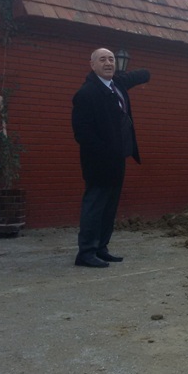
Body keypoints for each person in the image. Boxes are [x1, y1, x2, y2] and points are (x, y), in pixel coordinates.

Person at [71, 48, 150, 267]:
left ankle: (101, 248)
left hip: (118, 159)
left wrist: (148, 73)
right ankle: (86, 253)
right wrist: (105, 151)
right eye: (102, 59)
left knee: (109, 207)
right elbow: (82, 133)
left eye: (111, 59)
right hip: (98, 162)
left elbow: (137, 75)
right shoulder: (86, 94)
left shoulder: (117, 84)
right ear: (92, 65)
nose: (108, 63)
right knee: (95, 206)